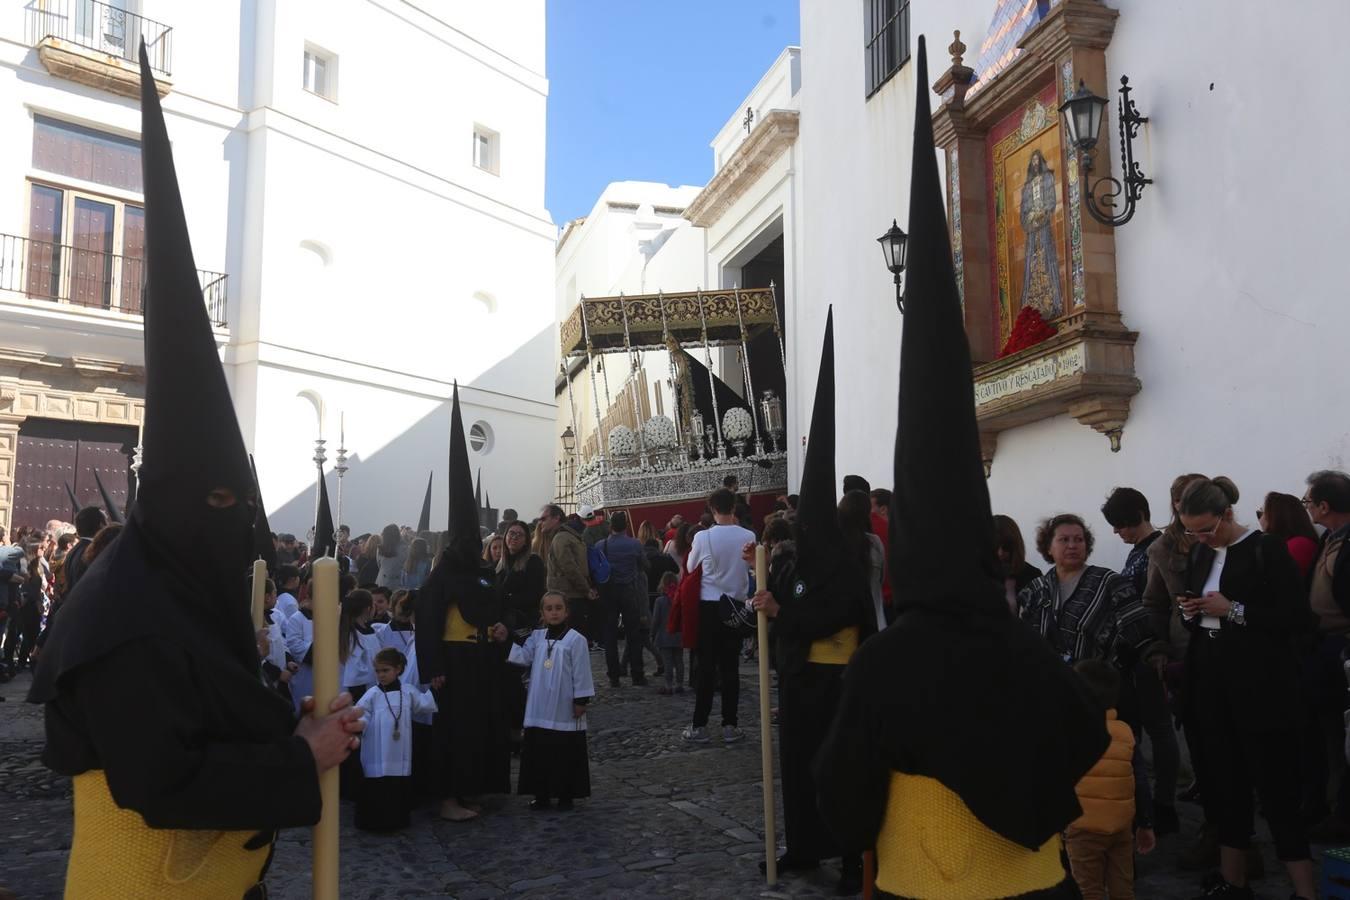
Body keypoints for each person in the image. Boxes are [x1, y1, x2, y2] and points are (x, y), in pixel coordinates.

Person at [27, 55, 362, 896]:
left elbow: (203, 715)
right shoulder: (127, 620)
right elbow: (162, 781)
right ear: (170, 502)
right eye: (213, 502)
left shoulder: (168, 589)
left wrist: (291, 722)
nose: (228, 521)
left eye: (236, 501)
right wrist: (299, 756)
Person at [815, 44, 1106, 898]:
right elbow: (1085, 728)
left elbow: (841, 793)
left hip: (928, 880)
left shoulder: (888, 662)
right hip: (1037, 880)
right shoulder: (1020, 646)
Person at [750, 311, 874, 893]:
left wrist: (783, 614)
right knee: (797, 770)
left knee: (840, 770)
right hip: (802, 683)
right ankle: (803, 843)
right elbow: (789, 614)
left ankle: (852, 853)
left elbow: (841, 614)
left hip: (841, 682)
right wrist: (765, 609)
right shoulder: (792, 564)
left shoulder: (847, 566)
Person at [1177, 476, 1317, 899]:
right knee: (1225, 788)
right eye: (1192, 531)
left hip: (1261, 690)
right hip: (1213, 686)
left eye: (1207, 528)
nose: (1201, 537)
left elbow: (1296, 619)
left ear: (1227, 514)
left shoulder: (1265, 548)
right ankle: (1233, 880)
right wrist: (1193, 611)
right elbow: (1205, 614)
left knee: (1276, 792)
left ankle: (1305, 890)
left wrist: (1234, 609)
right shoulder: (1201, 554)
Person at [415, 385, 510, 822]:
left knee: (477, 730)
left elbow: (492, 609)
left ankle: (473, 788)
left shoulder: (477, 573)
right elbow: (428, 622)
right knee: (453, 731)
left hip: (479, 659)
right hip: (451, 662)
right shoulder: (443, 578)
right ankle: (448, 798)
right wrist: (433, 667)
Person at [1100, 486, 1180, 837]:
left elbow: (1156, 604)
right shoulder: (1141, 551)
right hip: (1137, 650)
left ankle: (1163, 803)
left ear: (1134, 518)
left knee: (1158, 730)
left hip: (1149, 649)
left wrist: (1156, 647)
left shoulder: (1154, 550)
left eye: (1119, 524)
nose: (1116, 532)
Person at [491, 591, 594, 810]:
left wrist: (581, 700)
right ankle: (542, 794)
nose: (554, 612)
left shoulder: (576, 640)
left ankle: (566, 794)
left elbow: (582, 672)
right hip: (539, 706)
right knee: (540, 751)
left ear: (566, 612)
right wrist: (504, 639)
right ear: (542, 613)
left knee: (564, 752)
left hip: (564, 705)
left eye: (558, 608)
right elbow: (522, 657)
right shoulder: (536, 638)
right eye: (549, 609)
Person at [1065, 660, 1155, 900]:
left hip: (1083, 827)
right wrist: (1145, 823)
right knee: (1123, 887)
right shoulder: (1125, 733)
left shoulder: (1070, 733)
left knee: (1087, 888)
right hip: (1122, 826)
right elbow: (1141, 781)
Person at [682, 487, 754, 744]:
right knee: (730, 667)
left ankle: (699, 725)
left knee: (706, 668)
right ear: (733, 507)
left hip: (710, 607)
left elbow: (691, 567)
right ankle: (730, 724)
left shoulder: (703, 538)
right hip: (735, 606)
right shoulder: (748, 535)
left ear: (712, 510)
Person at [1300, 470, 1350, 841]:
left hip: (1342, 648)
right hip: (1323, 646)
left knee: (1343, 736)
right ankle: (1325, 806)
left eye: (1309, 501)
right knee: (1324, 731)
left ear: (1324, 505)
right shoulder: (1330, 538)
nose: (1306, 507)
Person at [354, 648, 438, 832]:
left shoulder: (408, 691)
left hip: (399, 749)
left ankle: (397, 820)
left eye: (386, 670)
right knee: (378, 783)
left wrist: (434, 689)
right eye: (377, 671)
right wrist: (359, 723)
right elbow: (362, 712)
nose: (381, 675)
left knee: (396, 784)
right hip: (377, 749)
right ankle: (374, 822)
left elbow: (424, 704)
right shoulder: (373, 694)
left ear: (398, 669)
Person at [496, 519, 546, 745]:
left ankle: (521, 726)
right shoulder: (501, 565)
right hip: (502, 629)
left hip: (522, 629)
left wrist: (506, 600)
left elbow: (534, 594)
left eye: (518, 535)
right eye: (510, 534)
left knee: (518, 678)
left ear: (526, 540)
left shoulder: (532, 562)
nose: (513, 538)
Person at [596, 511, 649, 687]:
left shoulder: (600, 545)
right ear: (626, 525)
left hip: (608, 593)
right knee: (633, 635)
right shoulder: (634, 544)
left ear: (611, 526)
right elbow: (644, 565)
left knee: (610, 636)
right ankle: (637, 674)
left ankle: (614, 676)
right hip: (629, 591)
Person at [539, 503, 595, 640]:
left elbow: (570, 568)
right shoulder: (569, 535)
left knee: (565, 642)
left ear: (556, 518)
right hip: (572, 597)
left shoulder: (561, 538)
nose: (541, 522)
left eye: (544, 518)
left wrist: (586, 590)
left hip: (568, 598)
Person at [1258, 491, 1321, 581]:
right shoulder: (1297, 542)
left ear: (1275, 516)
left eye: (1261, 513)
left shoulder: (1297, 545)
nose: (1260, 520)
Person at [992, 514, 1041, 613]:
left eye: (1006, 546)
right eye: (995, 545)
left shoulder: (1031, 575)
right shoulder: (974, 574)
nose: (1000, 553)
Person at [651, 571, 683, 694]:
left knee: (668, 662)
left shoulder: (660, 601)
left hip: (664, 637)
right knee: (679, 661)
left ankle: (668, 685)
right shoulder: (679, 599)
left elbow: (656, 620)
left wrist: (652, 633)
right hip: (679, 635)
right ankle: (679, 684)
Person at [375, 524, 407, 589]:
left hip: (382, 580)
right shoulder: (405, 548)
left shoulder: (380, 548)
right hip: (398, 581)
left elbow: (379, 564)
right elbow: (405, 565)